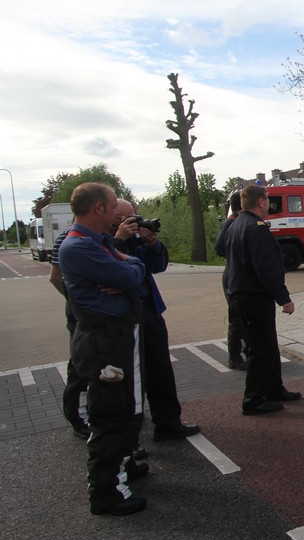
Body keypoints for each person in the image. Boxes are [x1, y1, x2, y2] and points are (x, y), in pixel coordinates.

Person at [58, 183, 149, 515]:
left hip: (116, 338)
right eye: (113, 208)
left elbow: (132, 269)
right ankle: (106, 491)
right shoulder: (79, 247)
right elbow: (130, 276)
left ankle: (121, 467)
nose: (117, 215)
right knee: (113, 414)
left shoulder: (97, 242)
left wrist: (129, 267)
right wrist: (129, 269)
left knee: (126, 408)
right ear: (98, 208)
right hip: (105, 342)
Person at [111, 199, 201, 443]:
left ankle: (168, 423)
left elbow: (156, 266)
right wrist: (119, 240)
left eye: (136, 218)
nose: (134, 223)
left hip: (148, 310)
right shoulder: (103, 241)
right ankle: (128, 438)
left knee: (160, 369)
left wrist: (153, 244)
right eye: (128, 219)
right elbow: (112, 270)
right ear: (114, 219)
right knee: (129, 375)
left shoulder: (134, 241)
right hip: (123, 316)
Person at [223, 185, 301, 415]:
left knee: (268, 345)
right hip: (254, 297)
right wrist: (283, 298)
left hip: (243, 294)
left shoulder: (237, 223)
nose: (269, 203)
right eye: (267, 199)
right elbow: (266, 268)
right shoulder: (256, 228)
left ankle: (274, 388)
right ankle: (253, 400)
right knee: (261, 349)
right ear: (260, 202)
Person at [48, 219, 90, 439]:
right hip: (81, 312)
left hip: (92, 312)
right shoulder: (68, 238)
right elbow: (55, 277)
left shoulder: (99, 235)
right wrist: (77, 301)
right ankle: (79, 418)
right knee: (80, 363)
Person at [215, 191, 248, 369]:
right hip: (233, 275)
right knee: (237, 318)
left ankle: (243, 353)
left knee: (243, 317)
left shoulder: (238, 221)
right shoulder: (232, 222)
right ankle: (235, 357)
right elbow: (219, 247)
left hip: (236, 273)